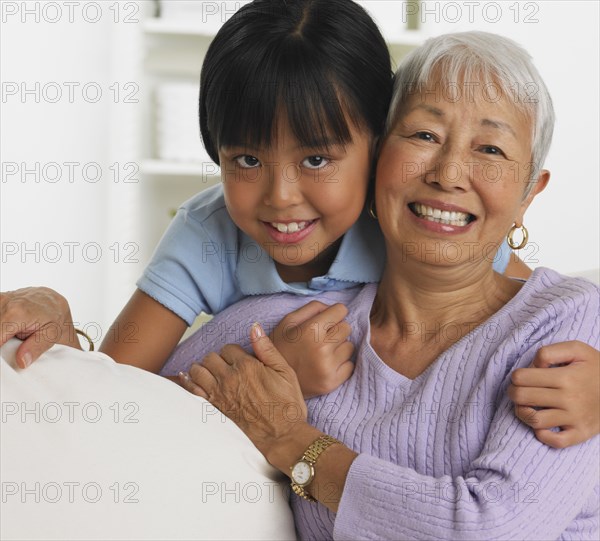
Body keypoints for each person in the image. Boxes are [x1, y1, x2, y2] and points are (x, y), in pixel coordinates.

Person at [0, 0, 598, 441]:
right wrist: (62, 324)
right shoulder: (208, 235)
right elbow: (116, 392)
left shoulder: (420, 225)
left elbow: (536, 317)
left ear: (377, 144)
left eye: (317, 158)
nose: (282, 197)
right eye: (247, 159)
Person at [176, 31, 600, 539]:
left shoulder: (565, 325)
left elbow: (492, 528)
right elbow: (122, 405)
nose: (448, 173)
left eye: (490, 148)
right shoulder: (289, 331)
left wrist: (291, 441)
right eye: (424, 135)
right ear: (376, 157)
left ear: (530, 192)